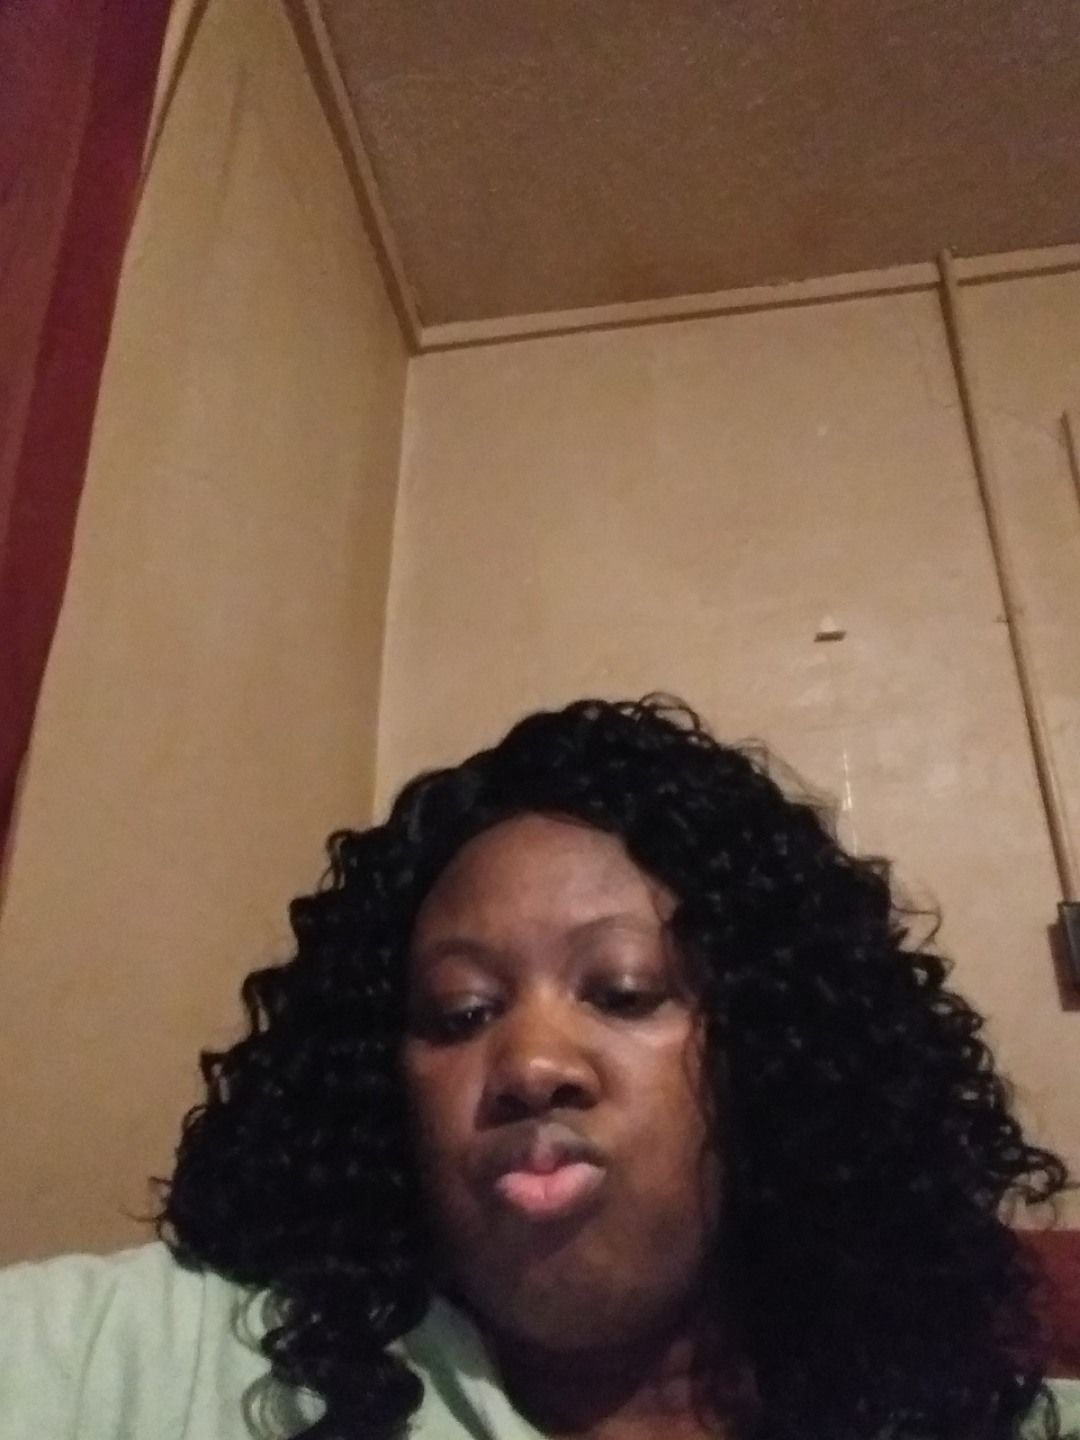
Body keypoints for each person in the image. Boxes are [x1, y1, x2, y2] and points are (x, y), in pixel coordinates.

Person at [1, 696, 1077, 1440]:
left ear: (775, 1057)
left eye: (623, 991)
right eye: (461, 1012)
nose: (528, 1063)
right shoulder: (175, 1361)